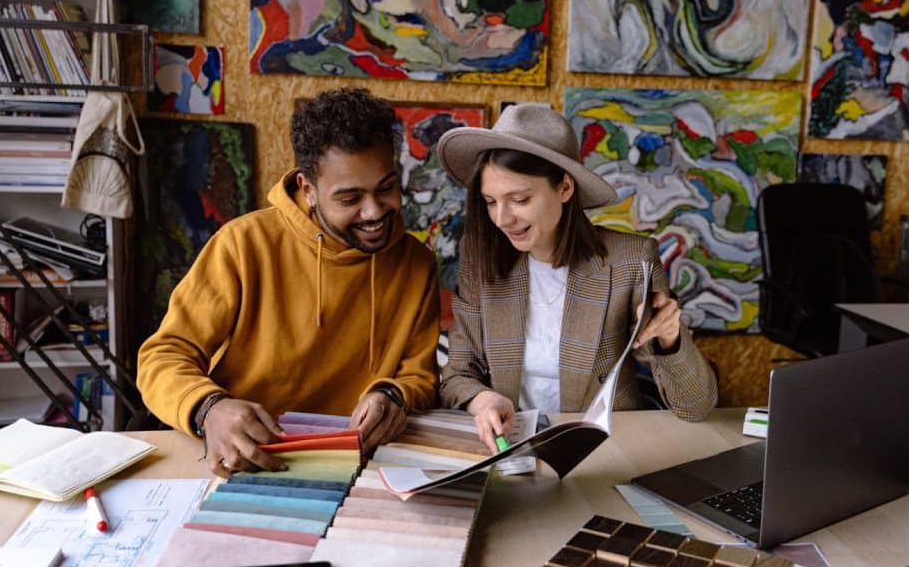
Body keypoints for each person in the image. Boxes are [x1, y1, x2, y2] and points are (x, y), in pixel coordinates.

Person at [137, 88, 441, 476]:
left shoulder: (416, 263)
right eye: (350, 199)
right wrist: (209, 409)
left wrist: (392, 395)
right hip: (243, 460)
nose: (373, 211)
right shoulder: (243, 245)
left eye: (386, 188)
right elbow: (162, 357)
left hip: (355, 465)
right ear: (308, 190)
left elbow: (419, 376)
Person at [436, 103, 718, 452]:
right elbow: (457, 374)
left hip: (609, 451)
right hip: (510, 449)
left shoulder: (631, 261)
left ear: (565, 188)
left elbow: (696, 407)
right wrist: (484, 401)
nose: (502, 219)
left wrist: (671, 339)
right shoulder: (480, 258)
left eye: (519, 199)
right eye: (491, 202)